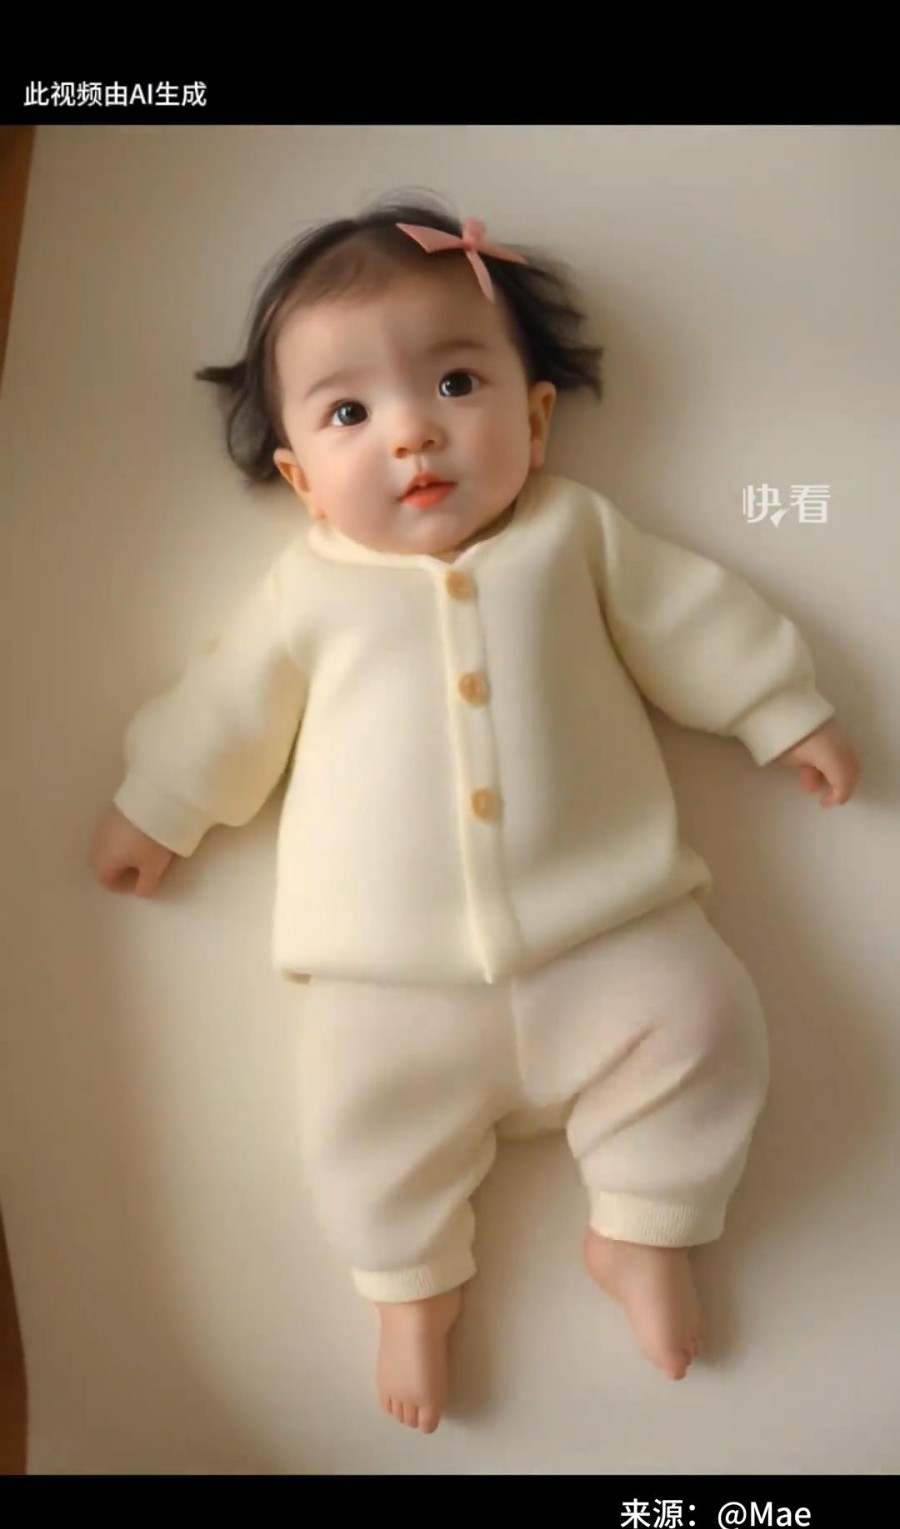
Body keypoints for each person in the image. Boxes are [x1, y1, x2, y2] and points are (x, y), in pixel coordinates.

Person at [89, 193, 862, 1435]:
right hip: (387, 976)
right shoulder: (306, 595)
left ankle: (645, 1225)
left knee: (709, 1024)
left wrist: (779, 707)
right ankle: (411, 1287)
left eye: (456, 384)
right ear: (300, 478)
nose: (413, 433)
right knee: (357, 1122)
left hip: (612, 929)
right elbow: (225, 709)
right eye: (350, 413)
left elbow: (690, 621)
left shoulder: (576, 538)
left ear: (536, 417)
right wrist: (159, 806)